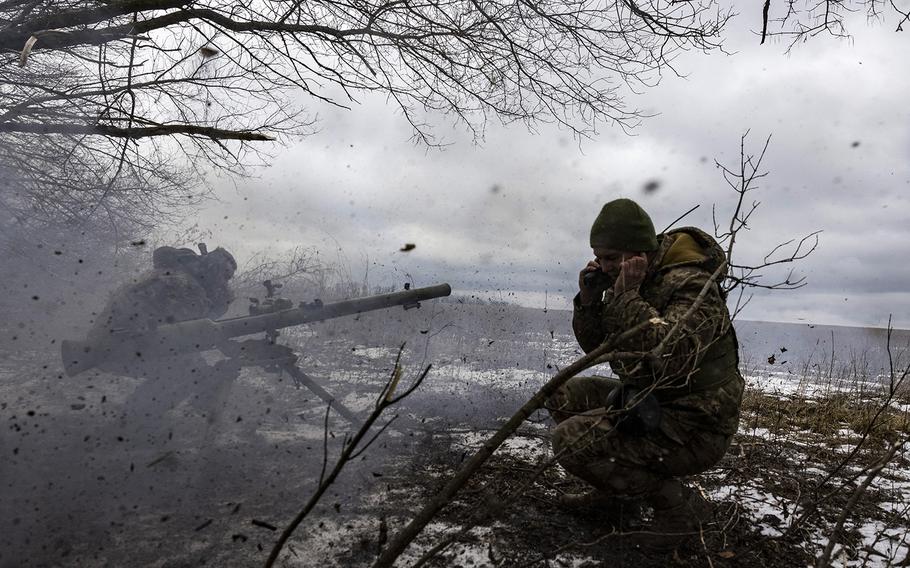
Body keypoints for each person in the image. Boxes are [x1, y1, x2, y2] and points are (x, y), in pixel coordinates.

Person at [547, 198, 744, 549]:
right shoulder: (633, 278)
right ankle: (616, 495)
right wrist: (591, 301)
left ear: (639, 252)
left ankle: (679, 512)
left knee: (572, 440)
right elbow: (598, 347)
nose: (603, 266)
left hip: (697, 423)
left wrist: (624, 297)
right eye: (599, 257)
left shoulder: (690, 284)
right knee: (561, 394)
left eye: (611, 257)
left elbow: (671, 355)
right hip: (652, 399)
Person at [88, 244, 239, 449]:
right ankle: (132, 426)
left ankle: (136, 423)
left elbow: (179, 333)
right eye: (225, 277)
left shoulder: (176, 276)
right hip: (119, 345)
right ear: (213, 272)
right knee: (185, 370)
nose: (224, 283)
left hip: (118, 342)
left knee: (189, 369)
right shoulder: (183, 284)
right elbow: (184, 335)